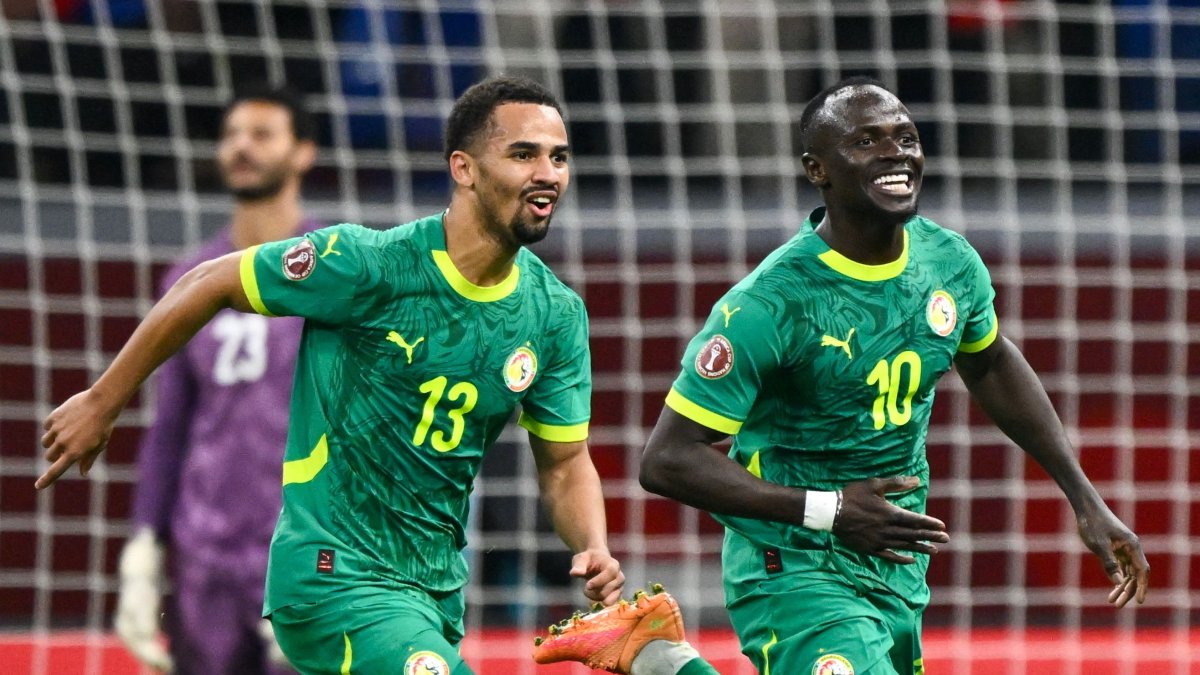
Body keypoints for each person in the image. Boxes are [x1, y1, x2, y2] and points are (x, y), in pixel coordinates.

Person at [36, 76, 627, 674]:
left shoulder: (554, 315)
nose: (548, 173)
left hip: (431, 592)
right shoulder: (366, 264)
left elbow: (565, 462)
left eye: (559, 157)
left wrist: (592, 546)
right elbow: (205, 282)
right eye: (523, 154)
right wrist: (102, 401)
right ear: (464, 169)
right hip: (330, 573)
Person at [634, 77, 1150, 674]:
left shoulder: (949, 262)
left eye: (906, 137)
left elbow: (990, 361)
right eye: (866, 142)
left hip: (893, 557)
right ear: (817, 169)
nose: (896, 153)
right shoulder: (768, 305)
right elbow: (666, 460)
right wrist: (828, 510)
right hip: (793, 560)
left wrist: (1084, 497)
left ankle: (658, 660)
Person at [113, 85, 318, 674]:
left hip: (302, 551)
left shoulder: (332, 268)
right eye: (231, 136)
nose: (240, 148)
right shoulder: (188, 279)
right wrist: (143, 550)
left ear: (303, 152)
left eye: (261, 135)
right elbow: (170, 424)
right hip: (205, 557)